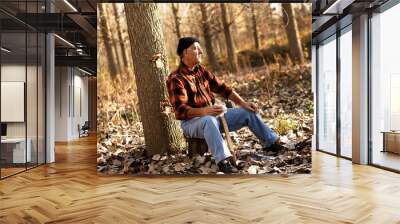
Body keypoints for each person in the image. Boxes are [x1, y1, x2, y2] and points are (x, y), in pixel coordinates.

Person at [166, 37, 284, 173]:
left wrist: (243, 103)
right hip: (192, 122)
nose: (200, 51)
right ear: (184, 53)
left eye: (200, 47)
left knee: (247, 112)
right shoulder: (176, 78)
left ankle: (271, 143)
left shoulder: (201, 71)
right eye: (195, 48)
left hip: (213, 116)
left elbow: (224, 88)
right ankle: (223, 160)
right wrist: (205, 111)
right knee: (208, 120)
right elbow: (180, 111)